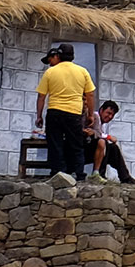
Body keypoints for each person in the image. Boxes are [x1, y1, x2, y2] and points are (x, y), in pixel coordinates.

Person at [36, 45, 97, 179]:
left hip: (54, 112)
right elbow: (90, 94)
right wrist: (90, 115)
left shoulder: (50, 72)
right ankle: (78, 174)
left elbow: (41, 96)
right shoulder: (83, 71)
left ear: (59, 55)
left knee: (55, 144)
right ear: (73, 56)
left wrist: (39, 116)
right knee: (76, 144)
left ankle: (58, 173)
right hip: (74, 113)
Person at [87, 97, 135, 183]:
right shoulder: (95, 117)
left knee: (113, 149)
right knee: (104, 143)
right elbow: (97, 134)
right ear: (102, 110)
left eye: (112, 115)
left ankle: (125, 177)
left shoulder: (100, 122)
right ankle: (99, 174)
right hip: (82, 148)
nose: (110, 116)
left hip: (92, 149)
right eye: (108, 113)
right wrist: (109, 137)